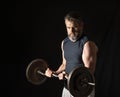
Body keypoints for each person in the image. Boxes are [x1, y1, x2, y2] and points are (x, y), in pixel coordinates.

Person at [45, 11, 98, 97]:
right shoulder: (64, 43)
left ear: (81, 26)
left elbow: (88, 73)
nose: (71, 31)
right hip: (67, 88)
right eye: (68, 27)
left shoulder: (87, 45)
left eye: (75, 27)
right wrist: (55, 72)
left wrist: (69, 76)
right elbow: (64, 64)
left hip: (82, 91)